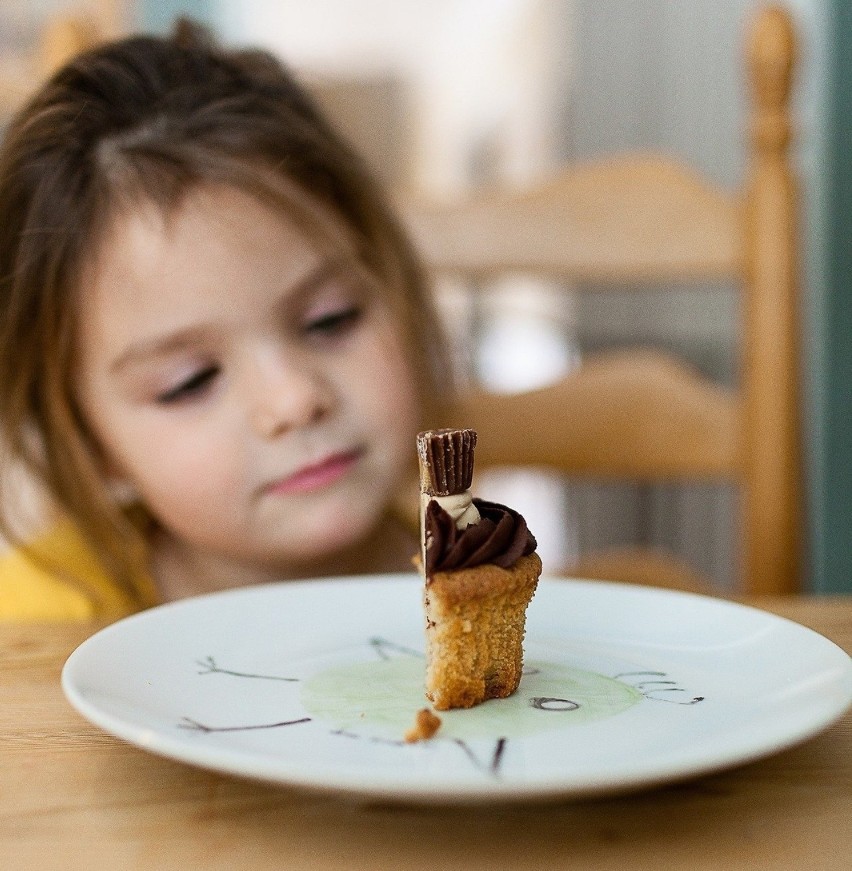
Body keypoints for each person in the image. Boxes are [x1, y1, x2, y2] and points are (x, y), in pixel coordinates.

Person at [0, 20, 451, 622]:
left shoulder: (479, 576)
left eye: (330, 320)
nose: (293, 400)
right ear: (91, 447)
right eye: (190, 381)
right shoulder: (29, 628)